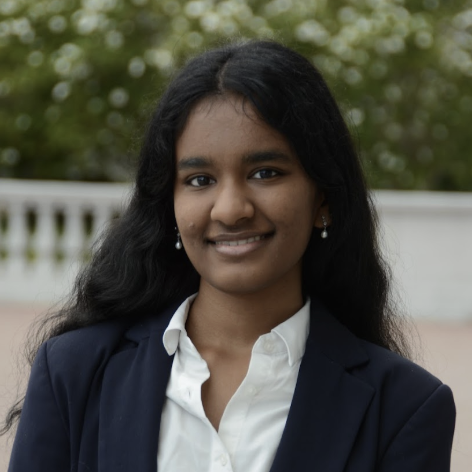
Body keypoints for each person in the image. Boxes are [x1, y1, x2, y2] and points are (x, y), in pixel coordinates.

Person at [5, 40, 455, 472]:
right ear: (170, 204)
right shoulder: (73, 372)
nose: (231, 209)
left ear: (324, 198)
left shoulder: (404, 409)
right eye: (199, 180)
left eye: (265, 172)